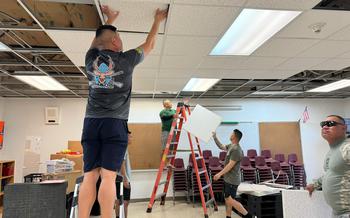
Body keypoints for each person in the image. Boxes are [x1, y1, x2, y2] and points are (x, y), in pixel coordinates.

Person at [78, 5, 167, 218]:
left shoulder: (90, 60)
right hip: (115, 124)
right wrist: (157, 20)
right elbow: (150, 44)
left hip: (91, 123)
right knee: (108, 178)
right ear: (116, 42)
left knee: (89, 177)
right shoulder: (127, 60)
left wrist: (109, 20)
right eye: (118, 36)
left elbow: (97, 42)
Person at [306, 115, 350, 218]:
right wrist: (315, 185)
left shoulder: (347, 148)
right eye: (323, 124)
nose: (325, 127)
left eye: (330, 124)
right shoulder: (332, 151)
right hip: (338, 213)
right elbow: (332, 173)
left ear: (344, 128)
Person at [212, 130, 252, 218]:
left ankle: (248, 216)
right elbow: (221, 147)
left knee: (228, 199)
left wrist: (219, 174)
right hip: (228, 178)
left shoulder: (237, 150)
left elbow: (230, 165)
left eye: (231, 133)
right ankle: (228, 216)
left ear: (235, 136)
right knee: (229, 200)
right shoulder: (231, 146)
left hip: (232, 180)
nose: (230, 135)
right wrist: (215, 137)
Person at [115, 132, 132, 218]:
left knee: (119, 200)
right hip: (122, 178)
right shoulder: (123, 147)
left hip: (118, 178)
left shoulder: (120, 147)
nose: (131, 138)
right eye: (130, 136)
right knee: (125, 201)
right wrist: (125, 179)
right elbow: (121, 163)